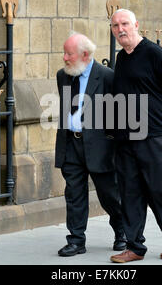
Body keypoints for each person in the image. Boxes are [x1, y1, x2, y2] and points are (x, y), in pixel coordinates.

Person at [109, 9, 162, 263]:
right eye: (115, 25)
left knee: (157, 190)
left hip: (154, 136)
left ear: (136, 25)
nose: (120, 29)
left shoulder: (154, 53)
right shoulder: (121, 58)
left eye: (124, 24)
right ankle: (134, 247)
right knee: (130, 191)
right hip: (127, 138)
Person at [55, 32, 126, 257]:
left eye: (69, 53)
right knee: (74, 194)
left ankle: (122, 231)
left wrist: (112, 142)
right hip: (71, 145)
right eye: (64, 52)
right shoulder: (62, 76)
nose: (65, 57)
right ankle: (76, 240)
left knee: (110, 195)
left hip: (100, 148)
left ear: (85, 55)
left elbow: (119, 114)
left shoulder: (107, 76)